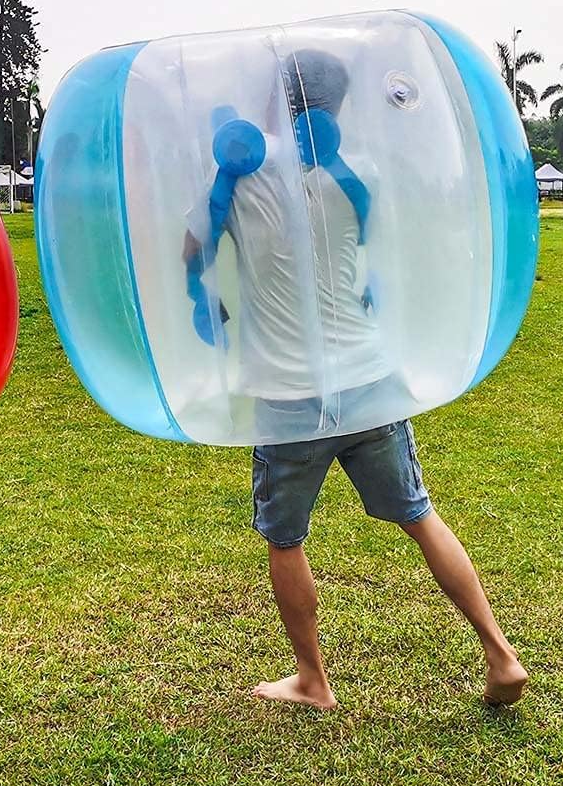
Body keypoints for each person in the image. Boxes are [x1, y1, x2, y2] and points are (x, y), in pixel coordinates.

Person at [188, 50, 527, 711]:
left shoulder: (243, 178)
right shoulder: (358, 173)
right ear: (337, 108)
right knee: (419, 515)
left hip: (287, 396)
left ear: (275, 104)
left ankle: (314, 680)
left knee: (285, 539)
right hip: (368, 379)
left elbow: (189, 249)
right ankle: (500, 653)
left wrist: (224, 179)